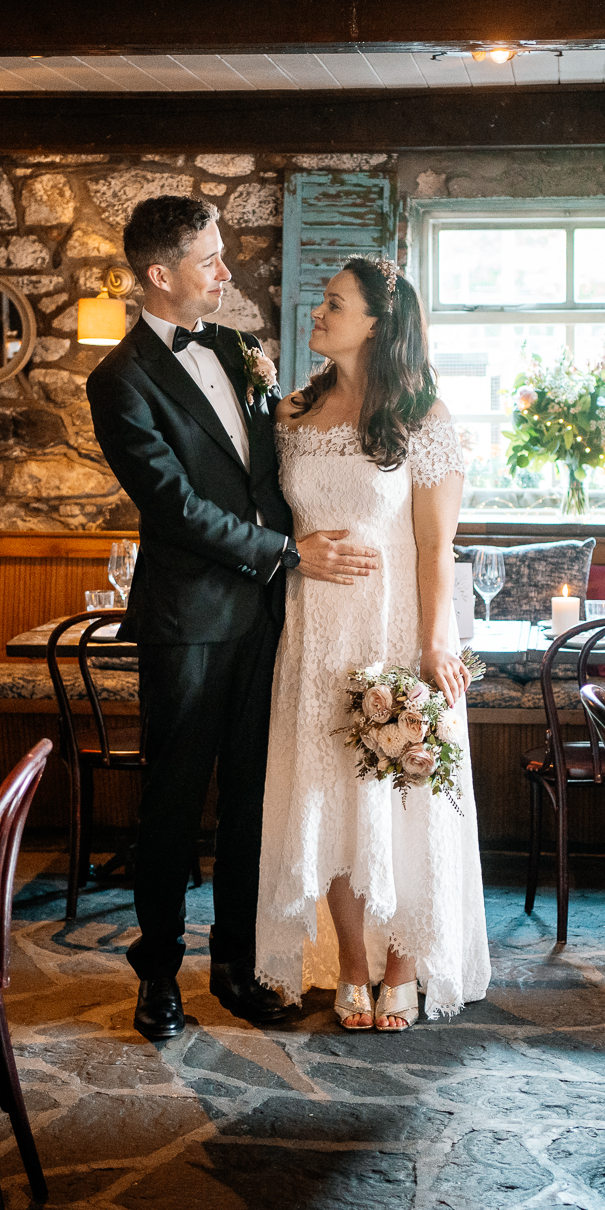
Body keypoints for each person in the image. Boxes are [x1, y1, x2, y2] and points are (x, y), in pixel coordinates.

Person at [87, 197, 380, 1039]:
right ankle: (159, 975)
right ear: (160, 275)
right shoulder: (119, 381)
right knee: (174, 804)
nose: (226, 273)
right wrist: (289, 553)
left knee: (256, 799)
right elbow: (173, 508)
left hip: (271, 618)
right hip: (187, 623)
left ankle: (237, 967)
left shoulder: (239, 351)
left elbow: (277, 470)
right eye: (211, 260)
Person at [256, 256, 490, 1031]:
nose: (317, 314)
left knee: (404, 799)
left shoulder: (424, 419)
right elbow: (278, 525)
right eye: (322, 301)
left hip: (395, 629)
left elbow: (435, 545)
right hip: (316, 632)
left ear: (377, 326)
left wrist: (429, 645)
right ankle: (351, 963)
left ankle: (404, 966)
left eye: (333, 304)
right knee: (326, 797)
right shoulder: (292, 413)